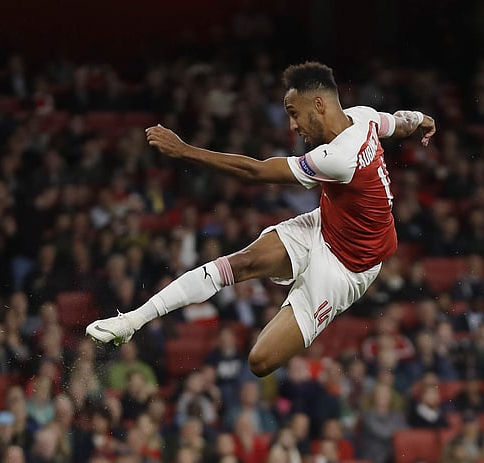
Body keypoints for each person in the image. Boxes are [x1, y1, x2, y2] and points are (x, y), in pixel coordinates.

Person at [86, 61, 436, 377]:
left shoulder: (339, 157)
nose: (292, 125)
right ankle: (133, 320)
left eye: (294, 114)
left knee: (260, 361)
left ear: (319, 104)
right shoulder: (363, 117)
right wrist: (421, 120)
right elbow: (399, 122)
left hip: (347, 267)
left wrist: (185, 151)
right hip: (325, 225)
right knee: (241, 262)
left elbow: (256, 171)